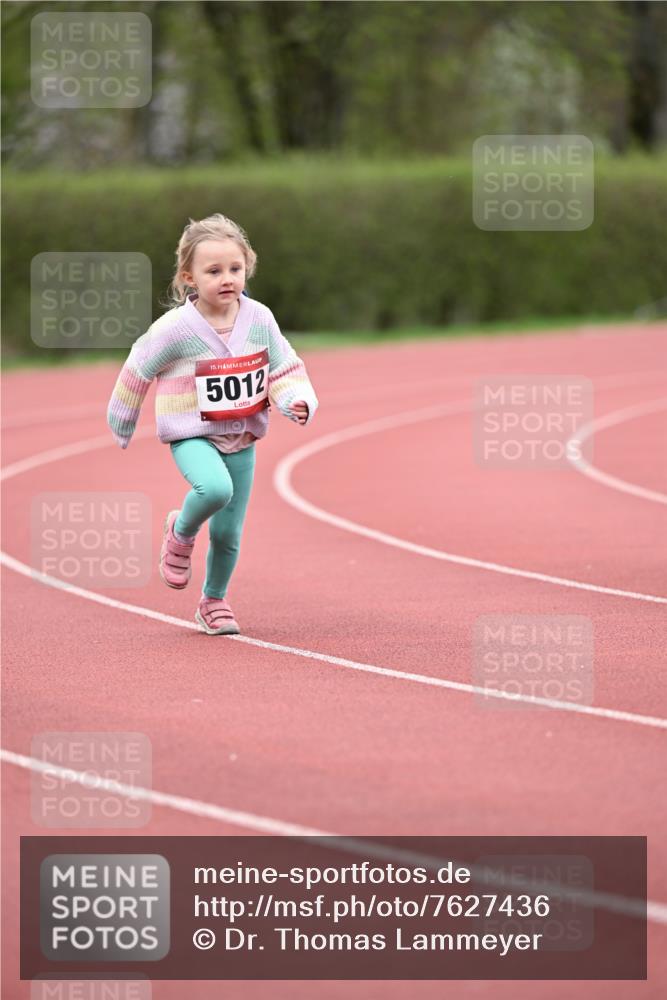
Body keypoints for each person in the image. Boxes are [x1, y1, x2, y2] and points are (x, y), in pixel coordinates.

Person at [107, 213, 318, 635]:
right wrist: (123, 419)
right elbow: (138, 366)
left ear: (248, 267)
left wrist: (297, 399)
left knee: (227, 534)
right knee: (215, 490)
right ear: (189, 277)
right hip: (193, 435)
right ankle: (180, 531)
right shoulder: (175, 330)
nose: (227, 279)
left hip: (242, 437)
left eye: (235, 269)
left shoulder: (259, 319)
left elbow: (282, 365)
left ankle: (213, 601)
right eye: (214, 270)